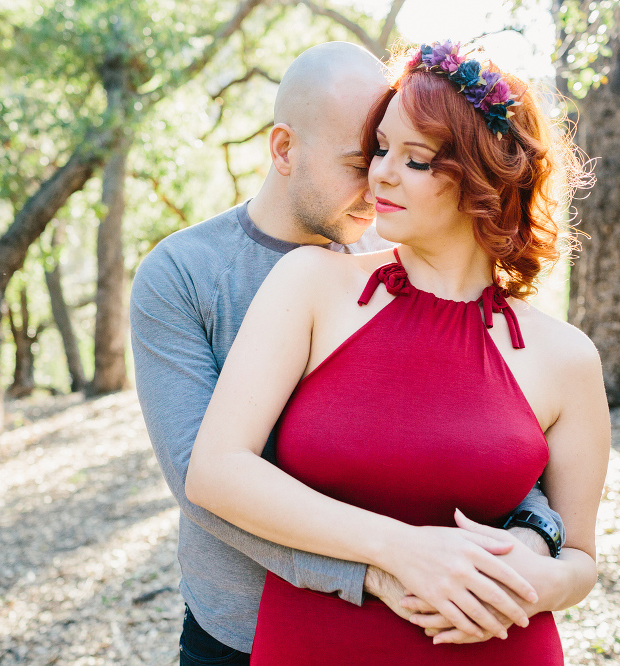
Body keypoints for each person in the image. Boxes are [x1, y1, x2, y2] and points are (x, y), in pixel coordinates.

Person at [131, 42, 568, 665]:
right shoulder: (182, 274)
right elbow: (202, 481)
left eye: (396, 153)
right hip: (239, 624)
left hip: (412, 620)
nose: (379, 181)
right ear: (285, 149)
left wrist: (537, 531)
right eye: (362, 159)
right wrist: (376, 570)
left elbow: (481, 435)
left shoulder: (400, 270)